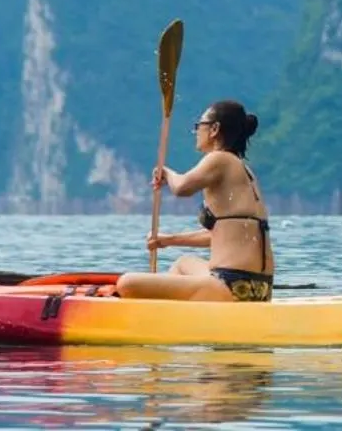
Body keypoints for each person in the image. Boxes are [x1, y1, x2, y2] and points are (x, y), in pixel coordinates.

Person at [114, 99, 274, 302]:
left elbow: (182, 188)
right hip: (259, 288)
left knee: (127, 283)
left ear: (214, 129)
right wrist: (169, 240)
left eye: (200, 126)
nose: (197, 131)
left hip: (230, 285)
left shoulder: (219, 159)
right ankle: (166, 313)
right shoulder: (244, 170)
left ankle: (160, 311)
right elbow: (223, 235)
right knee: (183, 263)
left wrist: (166, 173)